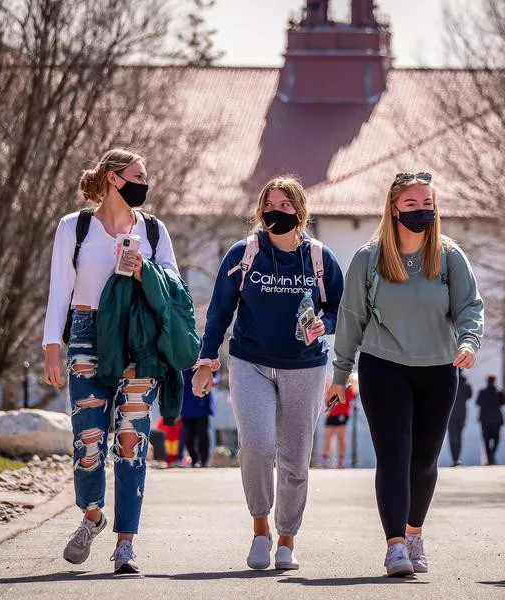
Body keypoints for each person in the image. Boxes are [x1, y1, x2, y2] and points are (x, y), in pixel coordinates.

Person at [325, 171, 484, 577]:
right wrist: (340, 375)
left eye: (427, 205)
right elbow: (351, 319)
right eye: (411, 205)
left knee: (425, 459)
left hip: (438, 369)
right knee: (394, 455)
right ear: (394, 208)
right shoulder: (369, 258)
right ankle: (395, 545)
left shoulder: (449, 256)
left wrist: (469, 342)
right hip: (384, 367)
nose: (420, 211)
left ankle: (414, 533)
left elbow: (470, 307)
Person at [191, 176, 344, 571]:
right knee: (257, 444)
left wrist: (323, 325)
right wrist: (207, 361)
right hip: (250, 362)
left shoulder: (320, 259)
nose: (276, 211)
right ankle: (261, 530)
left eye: (285, 205)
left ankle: (287, 541)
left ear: (300, 211)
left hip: (306, 367)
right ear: (260, 212)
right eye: (269, 205)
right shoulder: (244, 255)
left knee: (295, 458)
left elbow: (339, 308)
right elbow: (220, 312)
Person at [42, 148, 182, 574]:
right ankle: (92, 516)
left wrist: (145, 272)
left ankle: (125, 544)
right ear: (114, 179)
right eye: (138, 175)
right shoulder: (75, 227)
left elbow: (175, 288)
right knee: (88, 441)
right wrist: (52, 342)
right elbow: (60, 288)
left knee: (131, 441)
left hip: (138, 341)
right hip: (86, 334)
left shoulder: (154, 231)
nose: (145, 183)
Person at [181, 368, 218, 467]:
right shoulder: (185, 360)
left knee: (203, 434)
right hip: (186, 404)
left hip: (202, 404)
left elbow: (214, 376)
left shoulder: (206, 357)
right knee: (188, 435)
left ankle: (203, 460)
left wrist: (210, 382)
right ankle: (194, 460)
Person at [321, 381, 355, 468]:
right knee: (327, 437)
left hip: (342, 414)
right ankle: (324, 460)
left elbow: (348, 400)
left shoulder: (349, 388)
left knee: (341, 437)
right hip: (332, 415)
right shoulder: (332, 387)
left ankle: (340, 460)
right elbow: (327, 401)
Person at [476, 375, 505, 465]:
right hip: (496, 420)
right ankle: (491, 455)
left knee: (486, 440)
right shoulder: (498, 392)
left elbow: (478, 402)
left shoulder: (483, 392)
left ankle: (490, 457)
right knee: (496, 439)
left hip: (485, 420)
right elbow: (503, 402)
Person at [448, 373, 472, 466]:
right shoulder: (466, 385)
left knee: (452, 437)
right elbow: (470, 395)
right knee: (459, 437)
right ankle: (457, 458)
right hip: (462, 414)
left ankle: (455, 459)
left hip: (451, 413)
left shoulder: (450, 381)